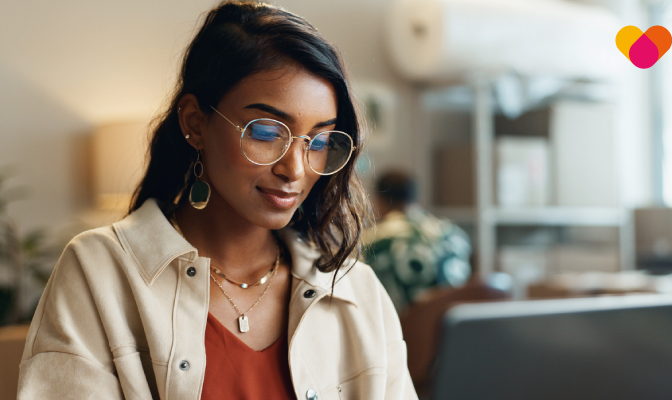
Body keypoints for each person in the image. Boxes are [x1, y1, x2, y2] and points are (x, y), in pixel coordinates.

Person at [17, 2, 418, 399]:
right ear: (195, 122)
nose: (295, 170)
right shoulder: (99, 271)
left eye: (319, 141)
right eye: (266, 132)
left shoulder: (354, 289)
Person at [362, 171, 471, 311]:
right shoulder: (454, 235)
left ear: (379, 202)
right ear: (418, 200)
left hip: (400, 329)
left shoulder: (370, 242)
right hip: (450, 327)